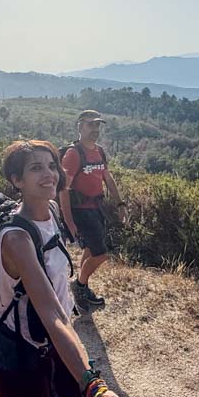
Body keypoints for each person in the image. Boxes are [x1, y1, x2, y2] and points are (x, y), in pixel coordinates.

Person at [0, 140, 128, 397]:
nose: (48, 173)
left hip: (55, 348)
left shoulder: (50, 210)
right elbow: (52, 316)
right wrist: (95, 384)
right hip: (18, 360)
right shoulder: (15, 239)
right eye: (35, 168)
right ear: (16, 179)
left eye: (51, 165)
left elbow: (59, 307)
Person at [59, 110, 127, 310]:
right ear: (80, 127)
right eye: (90, 125)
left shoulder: (99, 151)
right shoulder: (73, 154)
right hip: (81, 211)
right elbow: (64, 190)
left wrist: (120, 203)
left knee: (90, 249)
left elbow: (108, 178)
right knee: (102, 253)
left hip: (97, 208)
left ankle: (83, 286)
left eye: (97, 125)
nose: (95, 129)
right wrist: (69, 221)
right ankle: (79, 285)